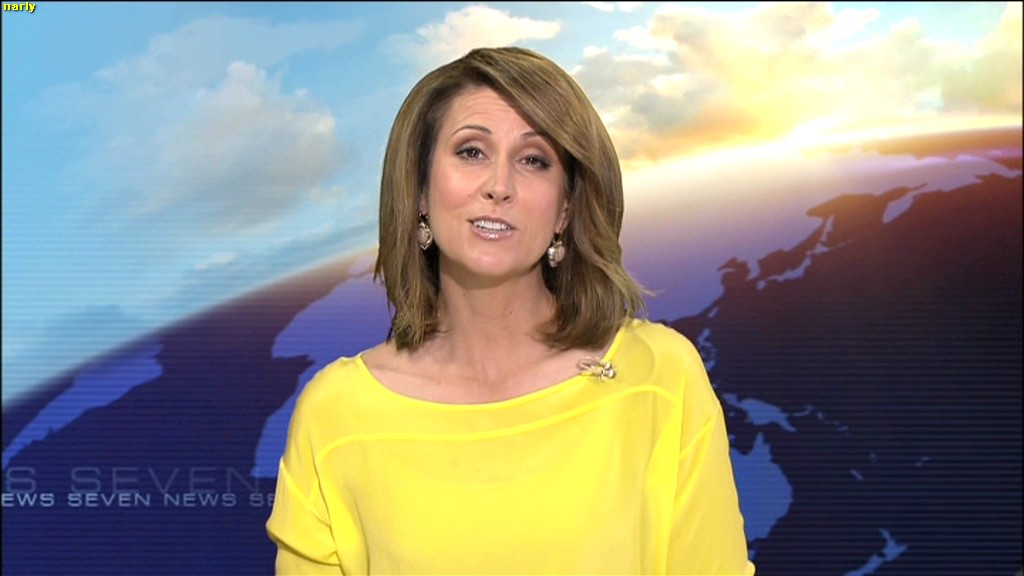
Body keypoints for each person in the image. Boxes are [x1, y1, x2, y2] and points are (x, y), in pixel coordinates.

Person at [265, 46, 754, 575]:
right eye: (472, 152)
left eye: (533, 160)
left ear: (565, 209)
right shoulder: (336, 414)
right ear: (421, 191)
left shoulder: (659, 376)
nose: (499, 186)